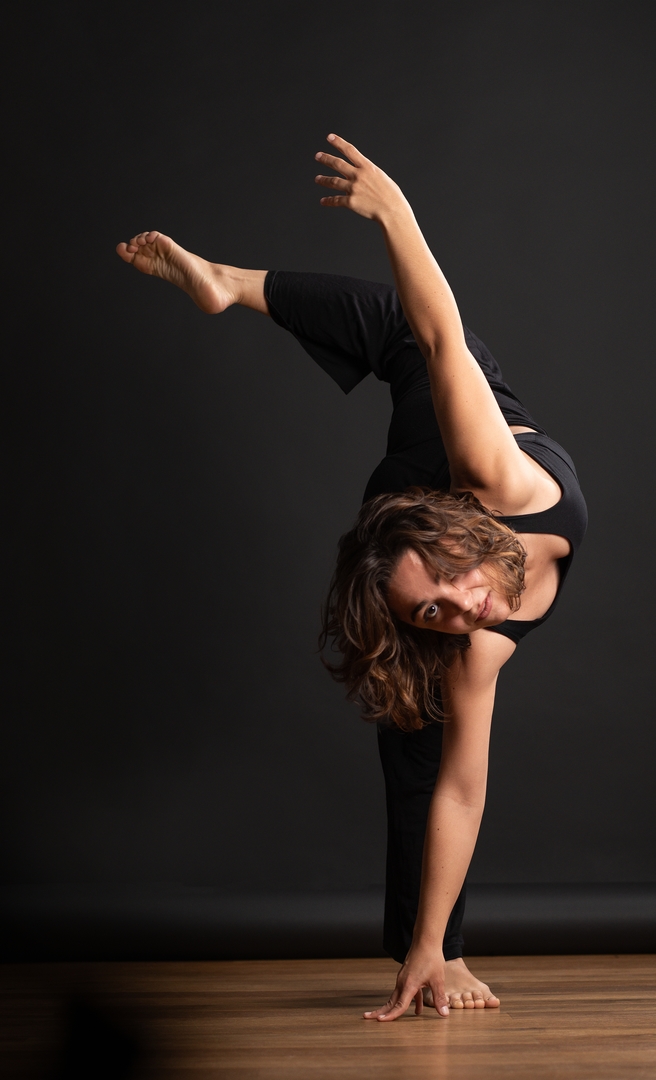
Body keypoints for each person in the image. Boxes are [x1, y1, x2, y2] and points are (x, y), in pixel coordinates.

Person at [116, 134, 587, 1022]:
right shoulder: (467, 642)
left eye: (449, 588)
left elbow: (439, 331)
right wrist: (433, 947)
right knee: (419, 728)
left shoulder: (498, 477)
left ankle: (227, 282)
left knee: (417, 342)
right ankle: (429, 951)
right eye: (436, 613)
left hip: (431, 468)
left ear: (463, 532)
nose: (463, 611)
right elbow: (462, 789)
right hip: (395, 527)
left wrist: (395, 214)